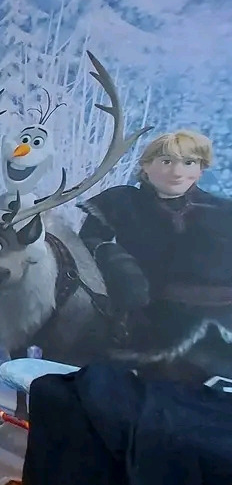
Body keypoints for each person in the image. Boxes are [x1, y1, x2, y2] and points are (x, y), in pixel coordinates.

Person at [77, 129, 232, 384]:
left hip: (221, 325)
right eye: (166, 161)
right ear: (146, 166)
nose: (177, 172)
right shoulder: (122, 202)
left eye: (189, 162)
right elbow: (87, 244)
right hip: (148, 320)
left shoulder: (222, 211)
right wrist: (117, 262)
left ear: (200, 169)